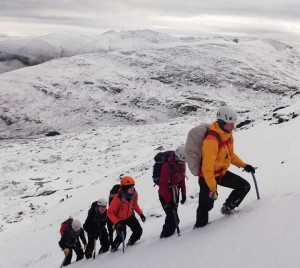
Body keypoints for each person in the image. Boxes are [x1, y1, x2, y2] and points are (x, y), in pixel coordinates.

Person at [195, 106, 256, 228]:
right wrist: (213, 187)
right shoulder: (211, 140)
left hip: (221, 173)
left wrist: (244, 165)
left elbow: (231, 155)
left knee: (244, 186)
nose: (233, 127)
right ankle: (200, 229)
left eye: (233, 123)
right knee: (206, 205)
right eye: (230, 124)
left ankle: (228, 207)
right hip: (207, 177)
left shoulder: (228, 135)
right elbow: (207, 168)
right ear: (221, 123)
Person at [107, 176, 146, 252]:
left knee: (138, 231)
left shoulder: (134, 194)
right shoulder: (117, 198)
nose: (132, 188)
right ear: (124, 188)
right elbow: (109, 212)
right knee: (121, 237)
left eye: (133, 186)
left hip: (129, 216)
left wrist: (141, 214)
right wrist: (117, 223)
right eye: (129, 187)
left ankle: (130, 242)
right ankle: (113, 247)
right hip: (119, 219)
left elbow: (135, 205)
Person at [158, 145, 187, 238]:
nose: (182, 163)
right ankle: (165, 234)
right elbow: (162, 186)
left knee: (173, 214)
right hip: (165, 195)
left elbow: (182, 180)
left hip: (175, 194)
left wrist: (184, 194)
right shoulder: (167, 166)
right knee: (171, 215)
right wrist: (168, 201)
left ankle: (170, 231)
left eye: (184, 161)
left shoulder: (182, 165)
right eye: (181, 161)